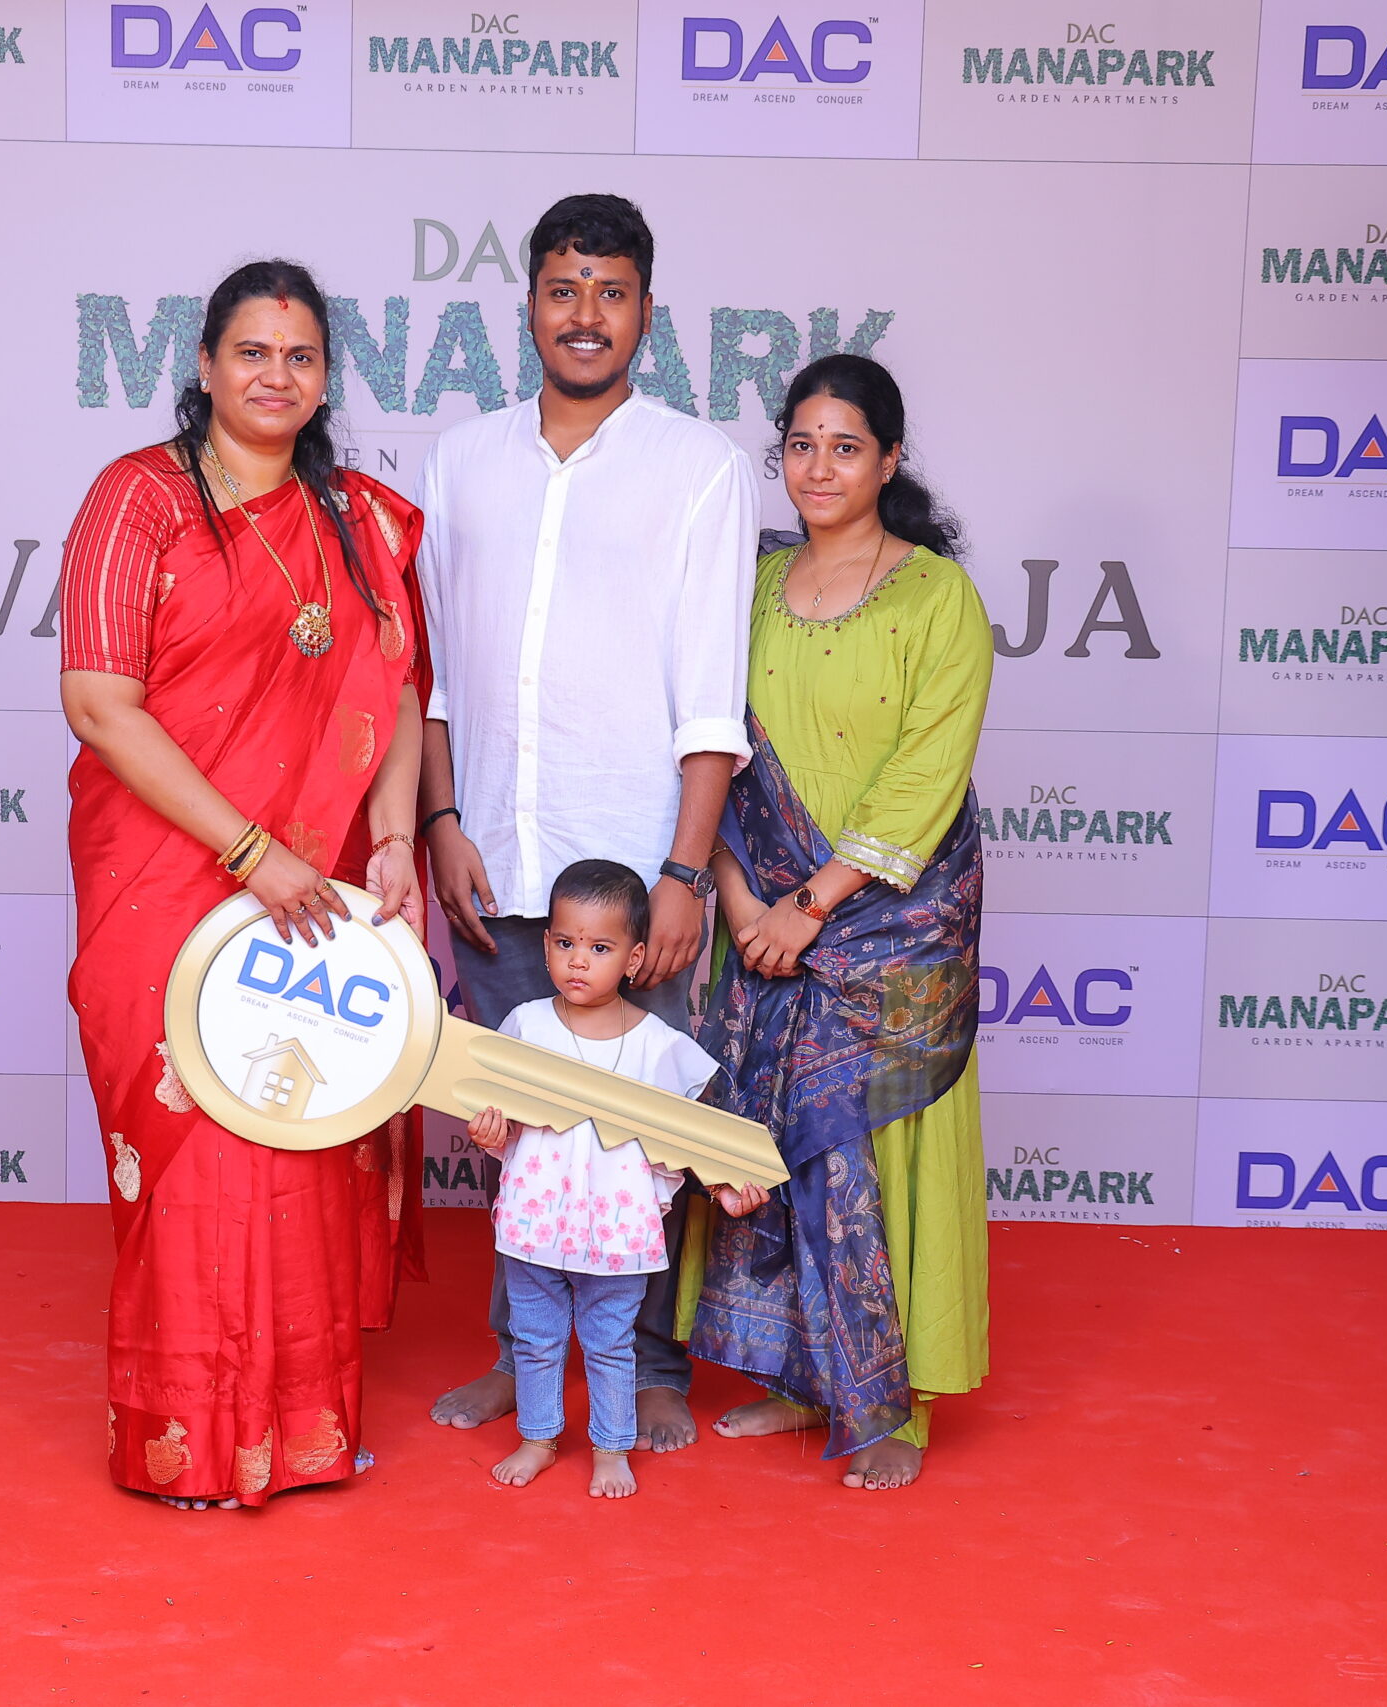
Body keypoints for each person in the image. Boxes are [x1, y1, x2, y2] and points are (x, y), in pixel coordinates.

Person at [60, 259, 427, 1510]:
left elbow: (394, 689)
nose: (277, 375)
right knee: (194, 1140)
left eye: (301, 356)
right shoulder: (139, 499)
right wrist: (248, 854)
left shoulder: (359, 521)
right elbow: (100, 706)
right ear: (207, 365)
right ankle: (188, 1440)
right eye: (253, 352)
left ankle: (300, 1431)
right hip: (167, 876)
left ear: (325, 379)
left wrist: (392, 840)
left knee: (294, 1123)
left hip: (315, 887)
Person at [416, 193, 757, 1451]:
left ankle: (651, 1365)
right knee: (519, 1138)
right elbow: (437, 675)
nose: (585, 314)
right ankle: (521, 1361)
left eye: (610, 293)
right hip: (493, 859)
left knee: (641, 1136)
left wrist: (683, 873)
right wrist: (441, 819)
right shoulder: (460, 461)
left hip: (633, 875)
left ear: (646, 314)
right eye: (564, 289)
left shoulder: (700, 468)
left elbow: (711, 700)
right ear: (529, 306)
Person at [683, 353, 992, 1492]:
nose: (818, 468)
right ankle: (801, 1377)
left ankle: (892, 1403)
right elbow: (705, 738)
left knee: (873, 1140)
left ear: (890, 460)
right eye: (801, 445)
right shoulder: (749, 582)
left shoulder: (936, 596)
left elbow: (925, 774)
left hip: (887, 928)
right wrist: (739, 901)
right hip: (759, 917)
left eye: (846, 447)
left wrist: (814, 906)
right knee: (776, 1139)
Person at [464, 861, 763, 1498]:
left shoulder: (659, 1044)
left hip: (618, 1230)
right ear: (545, 945)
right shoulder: (524, 1025)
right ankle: (538, 1439)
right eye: (565, 943)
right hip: (535, 1223)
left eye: (600, 948)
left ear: (634, 959)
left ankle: (611, 1448)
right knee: (536, 1341)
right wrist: (491, 1134)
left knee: (609, 1344)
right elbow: (504, 1122)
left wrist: (725, 1184)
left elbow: (692, 1136)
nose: (579, 960)